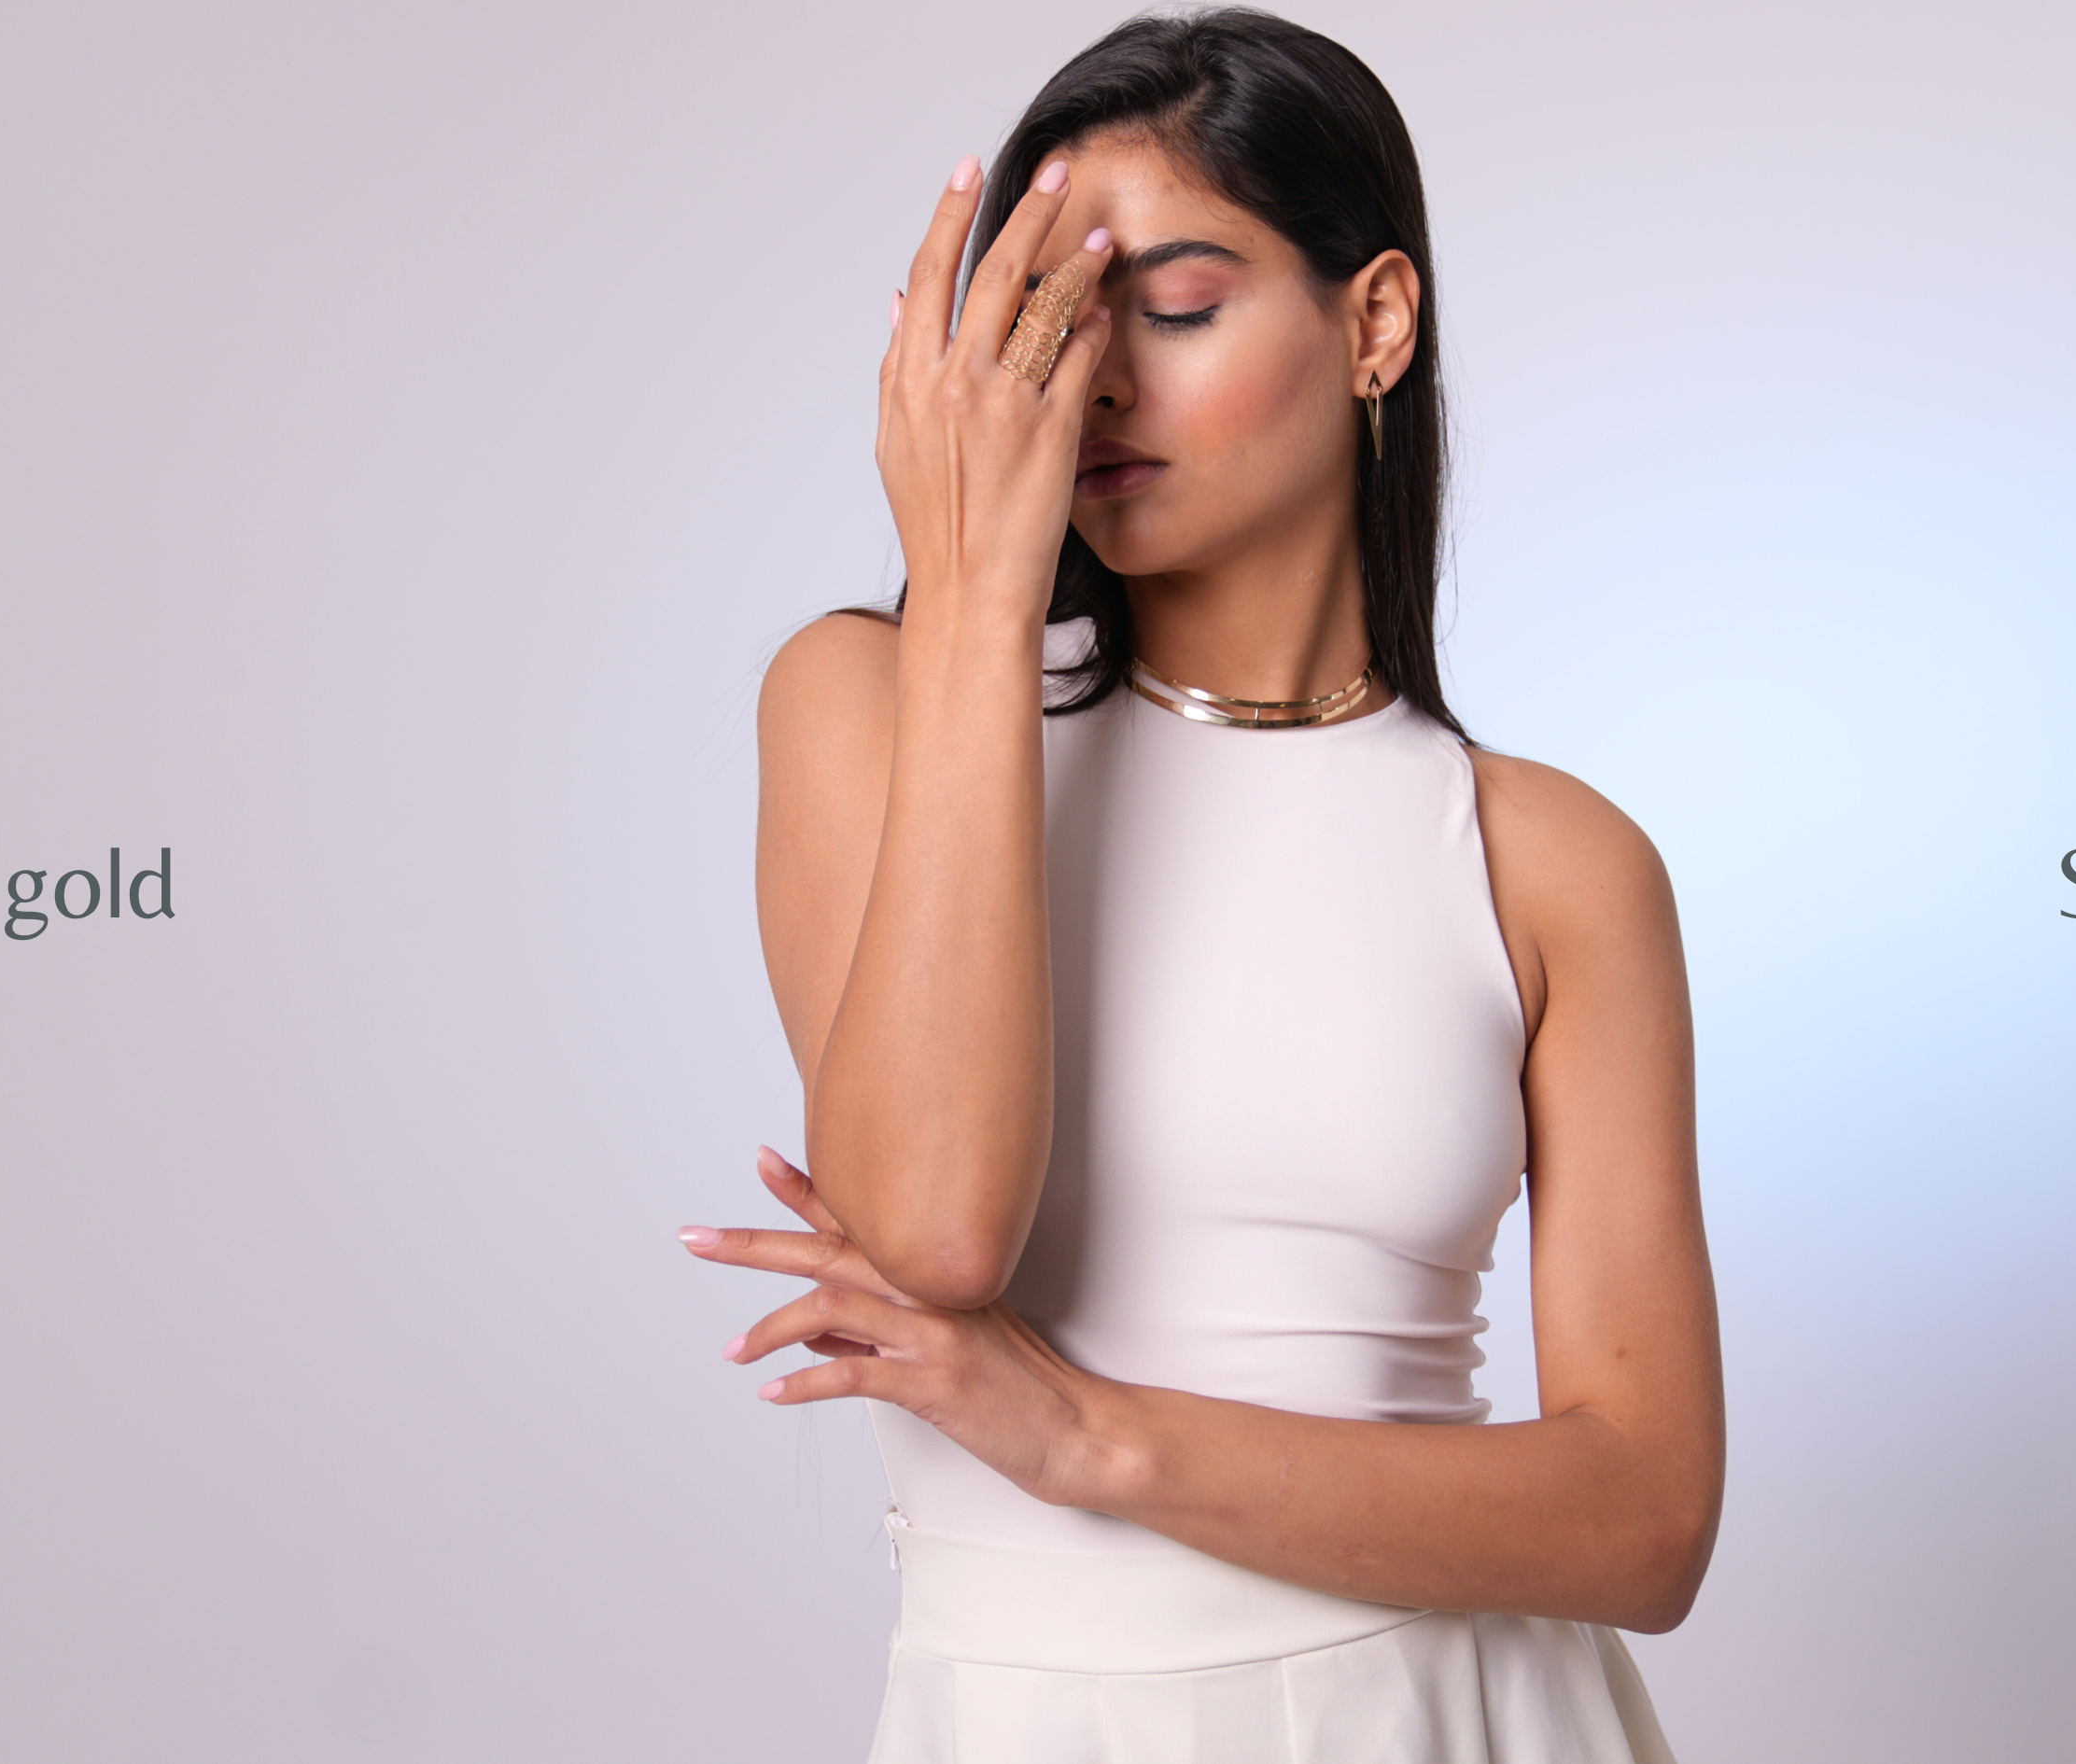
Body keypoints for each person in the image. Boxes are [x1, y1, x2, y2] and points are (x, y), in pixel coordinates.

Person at [681, 11, 1721, 1758]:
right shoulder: (871, 700)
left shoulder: (1554, 860)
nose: (1094, 385)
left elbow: (1645, 1519)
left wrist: (1097, 1438)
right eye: (1050, 325)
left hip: (1462, 1712)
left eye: (1170, 310)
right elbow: (936, 1228)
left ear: (1374, 323)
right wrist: (977, 590)